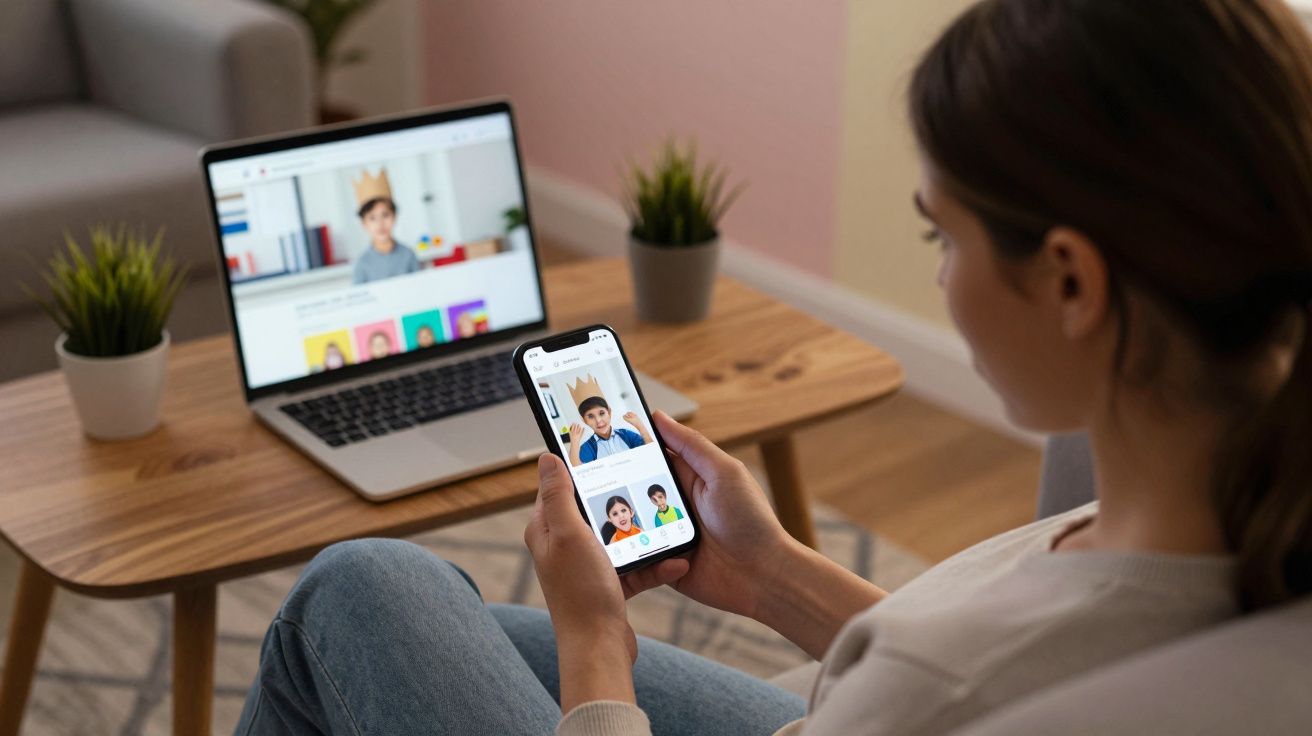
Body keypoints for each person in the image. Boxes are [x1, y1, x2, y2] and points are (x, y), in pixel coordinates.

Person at [237, 1, 1312, 734]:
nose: (939, 278)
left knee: (356, 585)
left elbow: (958, 683)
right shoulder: (1238, 502)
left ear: (1071, 281)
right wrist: (769, 574)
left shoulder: (933, 688)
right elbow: (1002, 669)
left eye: (944, 237)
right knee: (419, 595)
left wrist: (598, 648)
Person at [351, 168, 420, 285]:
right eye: (372, 218)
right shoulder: (362, 263)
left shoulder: (408, 254)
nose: (380, 224)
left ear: (394, 216)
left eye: (385, 215)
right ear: (364, 224)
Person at [567, 396, 652, 467]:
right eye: (590, 416)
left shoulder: (625, 434)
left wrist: (639, 425)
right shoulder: (588, 447)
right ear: (584, 421)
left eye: (602, 413)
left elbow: (651, 450)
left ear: (609, 412)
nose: (598, 421)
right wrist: (574, 442)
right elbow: (577, 469)